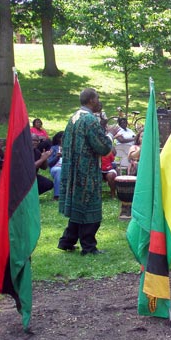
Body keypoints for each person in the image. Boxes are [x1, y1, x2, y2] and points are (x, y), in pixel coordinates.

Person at [57, 88, 114, 256]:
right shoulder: (89, 120)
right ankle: (88, 247)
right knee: (90, 207)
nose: (99, 101)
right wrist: (110, 135)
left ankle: (67, 241)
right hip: (87, 171)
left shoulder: (74, 117)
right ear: (91, 100)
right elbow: (103, 147)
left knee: (78, 206)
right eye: (97, 98)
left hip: (73, 169)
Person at [47, 131, 64, 200]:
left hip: (68, 167)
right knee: (59, 170)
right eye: (62, 137)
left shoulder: (71, 148)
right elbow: (49, 163)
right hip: (56, 168)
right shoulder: (53, 148)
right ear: (58, 139)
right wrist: (57, 157)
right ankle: (57, 195)